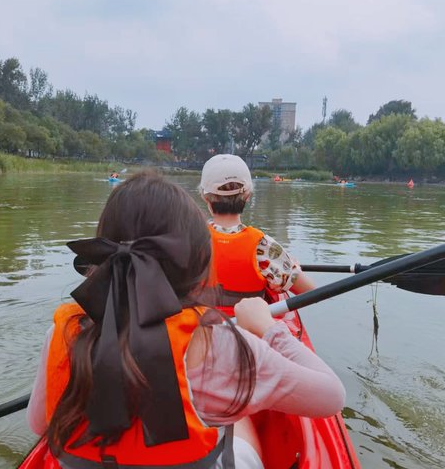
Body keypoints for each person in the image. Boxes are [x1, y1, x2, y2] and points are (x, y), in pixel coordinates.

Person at [26, 171, 345, 468]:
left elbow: (39, 424)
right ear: (196, 266)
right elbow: (331, 396)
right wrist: (268, 327)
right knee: (237, 418)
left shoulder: (63, 330)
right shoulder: (217, 342)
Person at [199, 154, 316, 315]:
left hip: (200, 330)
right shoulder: (264, 247)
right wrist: (289, 269)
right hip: (248, 334)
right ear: (247, 196)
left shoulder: (190, 239)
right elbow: (311, 293)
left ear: (205, 197)